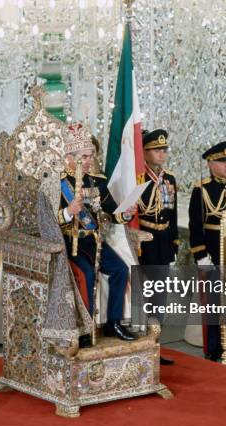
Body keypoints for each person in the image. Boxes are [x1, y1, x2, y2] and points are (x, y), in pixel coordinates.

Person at [58, 123, 138, 345]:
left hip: (94, 242)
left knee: (121, 270)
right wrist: (67, 212)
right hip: (69, 243)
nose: (89, 160)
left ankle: (114, 323)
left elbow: (112, 212)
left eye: (90, 155)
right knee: (87, 275)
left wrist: (126, 213)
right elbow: (47, 220)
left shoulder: (98, 182)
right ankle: (84, 330)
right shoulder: (57, 183)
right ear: (70, 158)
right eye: (83, 156)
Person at [188, 141, 226, 361]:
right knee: (212, 302)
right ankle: (213, 349)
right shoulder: (201, 189)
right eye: (222, 161)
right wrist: (201, 255)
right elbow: (196, 226)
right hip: (212, 252)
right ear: (211, 164)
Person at [137, 129, 179, 365]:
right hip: (143, 239)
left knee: (158, 296)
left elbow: (171, 215)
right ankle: (138, 344)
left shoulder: (169, 178)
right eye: (156, 150)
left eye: (164, 150)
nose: (162, 154)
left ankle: (154, 345)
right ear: (144, 151)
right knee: (140, 294)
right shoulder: (137, 177)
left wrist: (173, 241)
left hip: (162, 242)